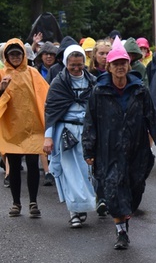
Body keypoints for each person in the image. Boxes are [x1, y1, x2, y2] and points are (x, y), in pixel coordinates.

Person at [82, 37, 156, 249]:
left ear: (128, 65)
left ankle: (125, 216)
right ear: (109, 67)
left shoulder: (140, 90)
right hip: (109, 149)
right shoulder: (98, 91)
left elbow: (152, 118)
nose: (120, 67)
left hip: (137, 149)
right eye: (116, 64)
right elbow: (90, 122)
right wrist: (88, 148)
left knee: (135, 188)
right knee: (113, 190)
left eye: (123, 63)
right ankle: (121, 231)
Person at [43, 45, 97, 228]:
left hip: (88, 132)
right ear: (66, 63)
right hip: (66, 133)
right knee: (70, 173)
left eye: (79, 65)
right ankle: (74, 211)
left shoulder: (92, 83)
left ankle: (86, 205)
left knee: (87, 171)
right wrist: (48, 137)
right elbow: (51, 111)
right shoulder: (59, 84)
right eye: (72, 65)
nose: (76, 69)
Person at [0, 39, 49, 218]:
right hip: (11, 129)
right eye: (11, 54)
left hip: (32, 128)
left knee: (32, 165)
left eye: (18, 54)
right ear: (6, 56)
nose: (15, 57)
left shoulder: (32, 73)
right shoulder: (2, 74)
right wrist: (1, 90)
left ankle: (33, 202)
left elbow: (45, 95)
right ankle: (16, 203)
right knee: (13, 166)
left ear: (23, 55)